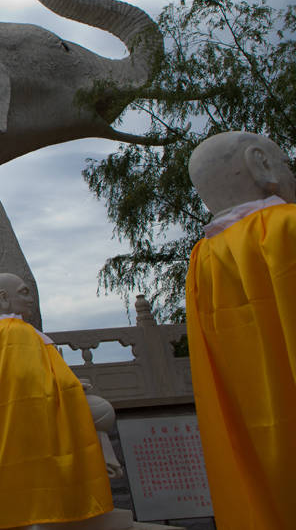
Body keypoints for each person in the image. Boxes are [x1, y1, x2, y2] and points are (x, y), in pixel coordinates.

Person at [185, 131, 296, 529]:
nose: (290, 174)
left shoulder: (203, 262)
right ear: (260, 164)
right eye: (287, 164)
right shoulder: (287, 229)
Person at [0, 273, 112, 529]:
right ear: (4, 298)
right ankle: (71, 497)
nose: (30, 298)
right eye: (24, 292)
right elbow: (31, 380)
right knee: (102, 411)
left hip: (14, 419)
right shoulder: (16, 332)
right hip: (35, 413)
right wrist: (70, 386)